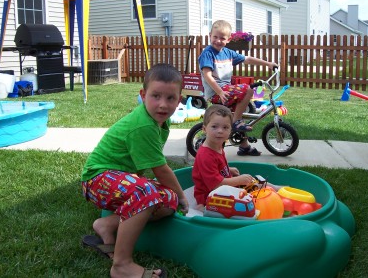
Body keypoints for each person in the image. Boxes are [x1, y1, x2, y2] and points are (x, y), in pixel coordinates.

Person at [81, 63, 189, 278]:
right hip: (96, 179)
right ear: (143, 94)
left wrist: (175, 197)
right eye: (155, 96)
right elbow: (161, 170)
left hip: (117, 179)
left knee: (167, 200)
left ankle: (106, 225)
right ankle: (122, 266)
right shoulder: (143, 125)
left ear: (179, 99)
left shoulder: (159, 122)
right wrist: (183, 197)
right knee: (147, 192)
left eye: (170, 98)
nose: (163, 105)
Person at [199, 19, 279, 156]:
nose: (218, 41)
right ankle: (236, 122)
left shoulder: (228, 53)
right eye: (215, 37)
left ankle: (244, 147)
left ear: (228, 39)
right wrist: (219, 91)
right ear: (209, 35)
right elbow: (207, 76)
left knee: (238, 115)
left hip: (226, 91)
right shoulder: (208, 53)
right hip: (217, 92)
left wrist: (268, 64)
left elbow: (247, 59)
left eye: (222, 38)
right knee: (247, 90)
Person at [191, 104, 256, 209]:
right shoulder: (205, 155)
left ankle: (273, 189)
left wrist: (228, 170)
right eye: (214, 126)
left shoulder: (217, 146)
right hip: (210, 198)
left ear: (230, 130)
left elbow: (214, 168)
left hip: (223, 190)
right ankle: (201, 209)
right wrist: (239, 180)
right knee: (248, 202)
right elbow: (215, 184)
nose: (220, 131)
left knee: (253, 182)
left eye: (225, 127)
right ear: (204, 129)